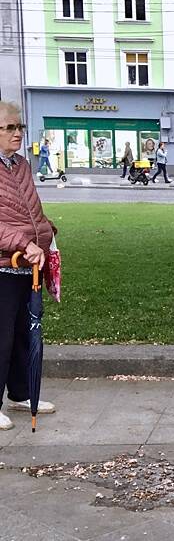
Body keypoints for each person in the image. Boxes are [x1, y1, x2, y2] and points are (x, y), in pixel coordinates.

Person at [0, 101, 57, 431]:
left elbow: (28, 209)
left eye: (19, 127)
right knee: (2, 336)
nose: (18, 133)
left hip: (26, 265)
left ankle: (20, 393)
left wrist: (47, 232)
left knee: (24, 332)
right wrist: (24, 242)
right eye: (9, 127)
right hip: (4, 266)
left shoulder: (20, 164)